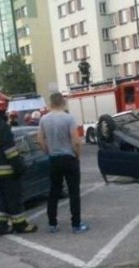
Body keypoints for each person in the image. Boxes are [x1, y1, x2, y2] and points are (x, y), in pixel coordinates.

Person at [0, 91, 37, 235]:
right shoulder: (3, 127)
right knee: (15, 199)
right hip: (8, 171)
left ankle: (0, 226)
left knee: (3, 199)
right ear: (2, 107)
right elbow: (10, 151)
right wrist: (20, 166)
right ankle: (21, 225)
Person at [37, 92, 89, 234]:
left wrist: (48, 152)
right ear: (62, 102)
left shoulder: (44, 119)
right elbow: (76, 140)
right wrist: (77, 155)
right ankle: (76, 224)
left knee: (54, 191)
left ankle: (52, 224)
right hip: (69, 157)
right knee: (74, 192)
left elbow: (40, 140)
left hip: (54, 158)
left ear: (51, 103)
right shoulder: (69, 118)